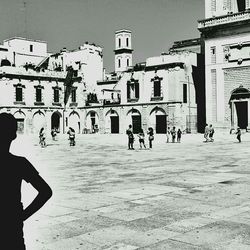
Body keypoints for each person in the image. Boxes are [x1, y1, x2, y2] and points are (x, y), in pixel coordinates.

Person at [0, 113, 52, 249]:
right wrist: (22, 216)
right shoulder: (19, 164)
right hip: (11, 227)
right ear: (13, 135)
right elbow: (46, 191)